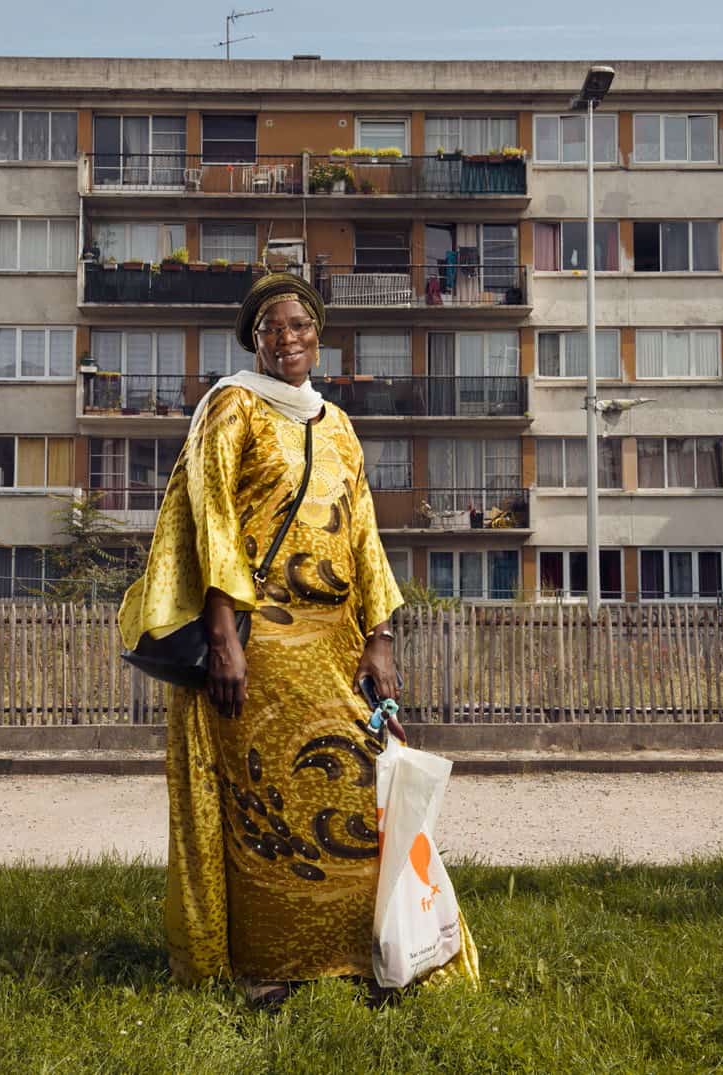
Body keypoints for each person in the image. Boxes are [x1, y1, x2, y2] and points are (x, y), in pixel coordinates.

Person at [119, 273, 478, 1002]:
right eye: (272, 329)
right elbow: (212, 520)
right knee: (265, 803)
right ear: (255, 340)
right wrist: (224, 638)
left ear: (319, 335)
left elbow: (365, 532)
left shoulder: (338, 425)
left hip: (336, 641)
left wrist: (379, 637)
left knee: (358, 793)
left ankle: (366, 951)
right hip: (260, 643)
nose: (288, 339)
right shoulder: (232, 407)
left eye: (300, 326)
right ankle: (266, 967)